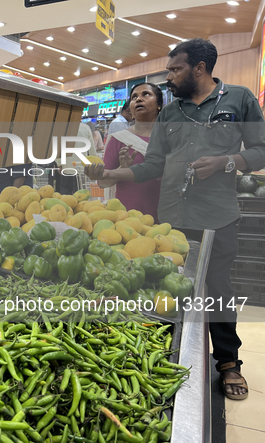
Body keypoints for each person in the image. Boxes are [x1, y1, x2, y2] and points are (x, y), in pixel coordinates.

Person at [85, 38, 265, 401]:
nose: (169, 77)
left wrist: (226, 162)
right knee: (167, 290)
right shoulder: (170, 113)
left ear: (199, 68)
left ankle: (228, 363)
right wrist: (107, 174)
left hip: (217, 216)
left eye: (175, 69)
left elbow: (260, 151)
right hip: (171, 220)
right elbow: (153, 164)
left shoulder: (239, 99)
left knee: (217, 290)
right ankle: (171, 359)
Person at [96, 83, 163, 222]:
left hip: (164, 215)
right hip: (127, 217)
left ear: (159, 105)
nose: (138, 99)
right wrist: (123, 169)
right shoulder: (118, 139)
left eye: (146, 94)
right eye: (134, 97)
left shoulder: (170, 138)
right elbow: (102, 182)